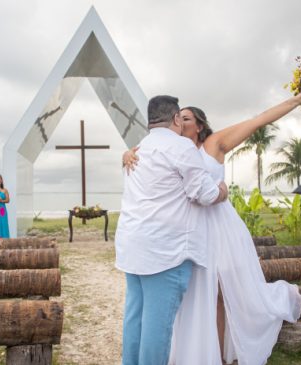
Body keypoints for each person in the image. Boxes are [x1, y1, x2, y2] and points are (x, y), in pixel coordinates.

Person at [123, 92, 301, 364]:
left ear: (199, 126)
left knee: (220, 294)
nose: (182, 121)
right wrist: (126, 154)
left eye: (187, 118)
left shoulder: (214, 144)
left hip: (219, 230)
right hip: (187, 232)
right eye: (180, 116)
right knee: (187, 300)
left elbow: (257, 121)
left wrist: (295, 101)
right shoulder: (163, 147)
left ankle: (219, 355)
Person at [115, 95, 229, 365]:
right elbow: (202, 193)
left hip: (133, 246)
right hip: (165, 251)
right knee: (158, 328)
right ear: (176, 118)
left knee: (136, 320)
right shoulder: (181, 147)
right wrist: (222, 192)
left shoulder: (139, 149)